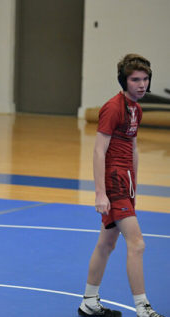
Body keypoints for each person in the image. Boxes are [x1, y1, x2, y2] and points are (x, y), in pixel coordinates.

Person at [78, 54, 165, 317]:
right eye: (135, 79)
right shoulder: (113, 108)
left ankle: (89, 302)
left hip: (125, 184)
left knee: (106, 244)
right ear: (123, 81)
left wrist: (134, 186)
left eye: (145, 79)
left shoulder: (136, 109)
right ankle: (143, 308)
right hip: (113, 184)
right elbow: (98, 151)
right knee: (137, 244)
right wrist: (100, 193)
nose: (141, 84)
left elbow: (133, 147)